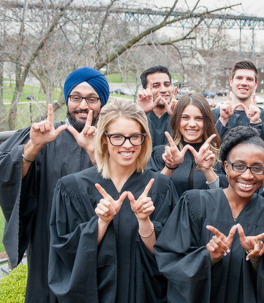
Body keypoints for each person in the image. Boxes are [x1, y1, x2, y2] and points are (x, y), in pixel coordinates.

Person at [0, 67, 108, 303]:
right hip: (48, 241)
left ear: (102, 102)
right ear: (67, 100)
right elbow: (5, 177)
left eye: (92, 99)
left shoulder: (116, 140)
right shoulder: (43, 136)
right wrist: (33, 147)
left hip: (100, 241)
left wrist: (96, 152)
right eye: (76, 98)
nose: (83, 105)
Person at [48, 99, 178, 302]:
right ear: (104, 139)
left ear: (144, 139)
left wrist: (145, 222)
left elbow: (170, 254)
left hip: (145, 294)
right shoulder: (72, 188)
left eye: (135, 136)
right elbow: (64, 254)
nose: (127, 145)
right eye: (117, 137)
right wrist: (100, 223)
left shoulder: (161, 187)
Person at [154, 126, 264, 303]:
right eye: (239, 166)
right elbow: (170, 259)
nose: (247, 176)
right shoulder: (194, 203)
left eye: (257, 168)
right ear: (225, 166)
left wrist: (259, 258)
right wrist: (208, 256)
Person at [148, 93, 226, 196]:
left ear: (207, 121)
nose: (192, 124)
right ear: (177, 120)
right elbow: (152, 194)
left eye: (199, 118)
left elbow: (227, 199)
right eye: (185, 117)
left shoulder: (220, 157)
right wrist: (170, 167)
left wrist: (207, 170)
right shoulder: (162, 154)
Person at [212, 61, 264, 142]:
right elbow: (210, 147)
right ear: (231, 82)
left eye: (249, 79)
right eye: (239, 78)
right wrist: (222, 122)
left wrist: (256, 124)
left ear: (255, 85)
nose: (244, 83)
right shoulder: (214, 115)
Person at [137, 65, 177, 147]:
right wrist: (139, 113)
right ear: (145, 90)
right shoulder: (138, 116)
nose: (163, 90)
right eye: (156, 86)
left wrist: (178, 117)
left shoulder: (182, 118)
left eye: (167, 84)